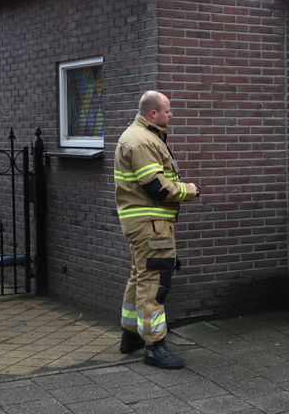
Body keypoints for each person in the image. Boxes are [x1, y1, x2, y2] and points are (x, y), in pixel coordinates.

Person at [114, 91, 200, 369]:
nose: (170, 115)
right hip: (151, 225)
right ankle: (154, 345)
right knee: (154, 285)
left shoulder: (142, 136)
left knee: (140, 276)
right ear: (153, 113)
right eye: (167, 111)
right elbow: (157, 187)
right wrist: (188, 190)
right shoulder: (141, 141)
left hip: (145, 223)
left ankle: (131, 336)